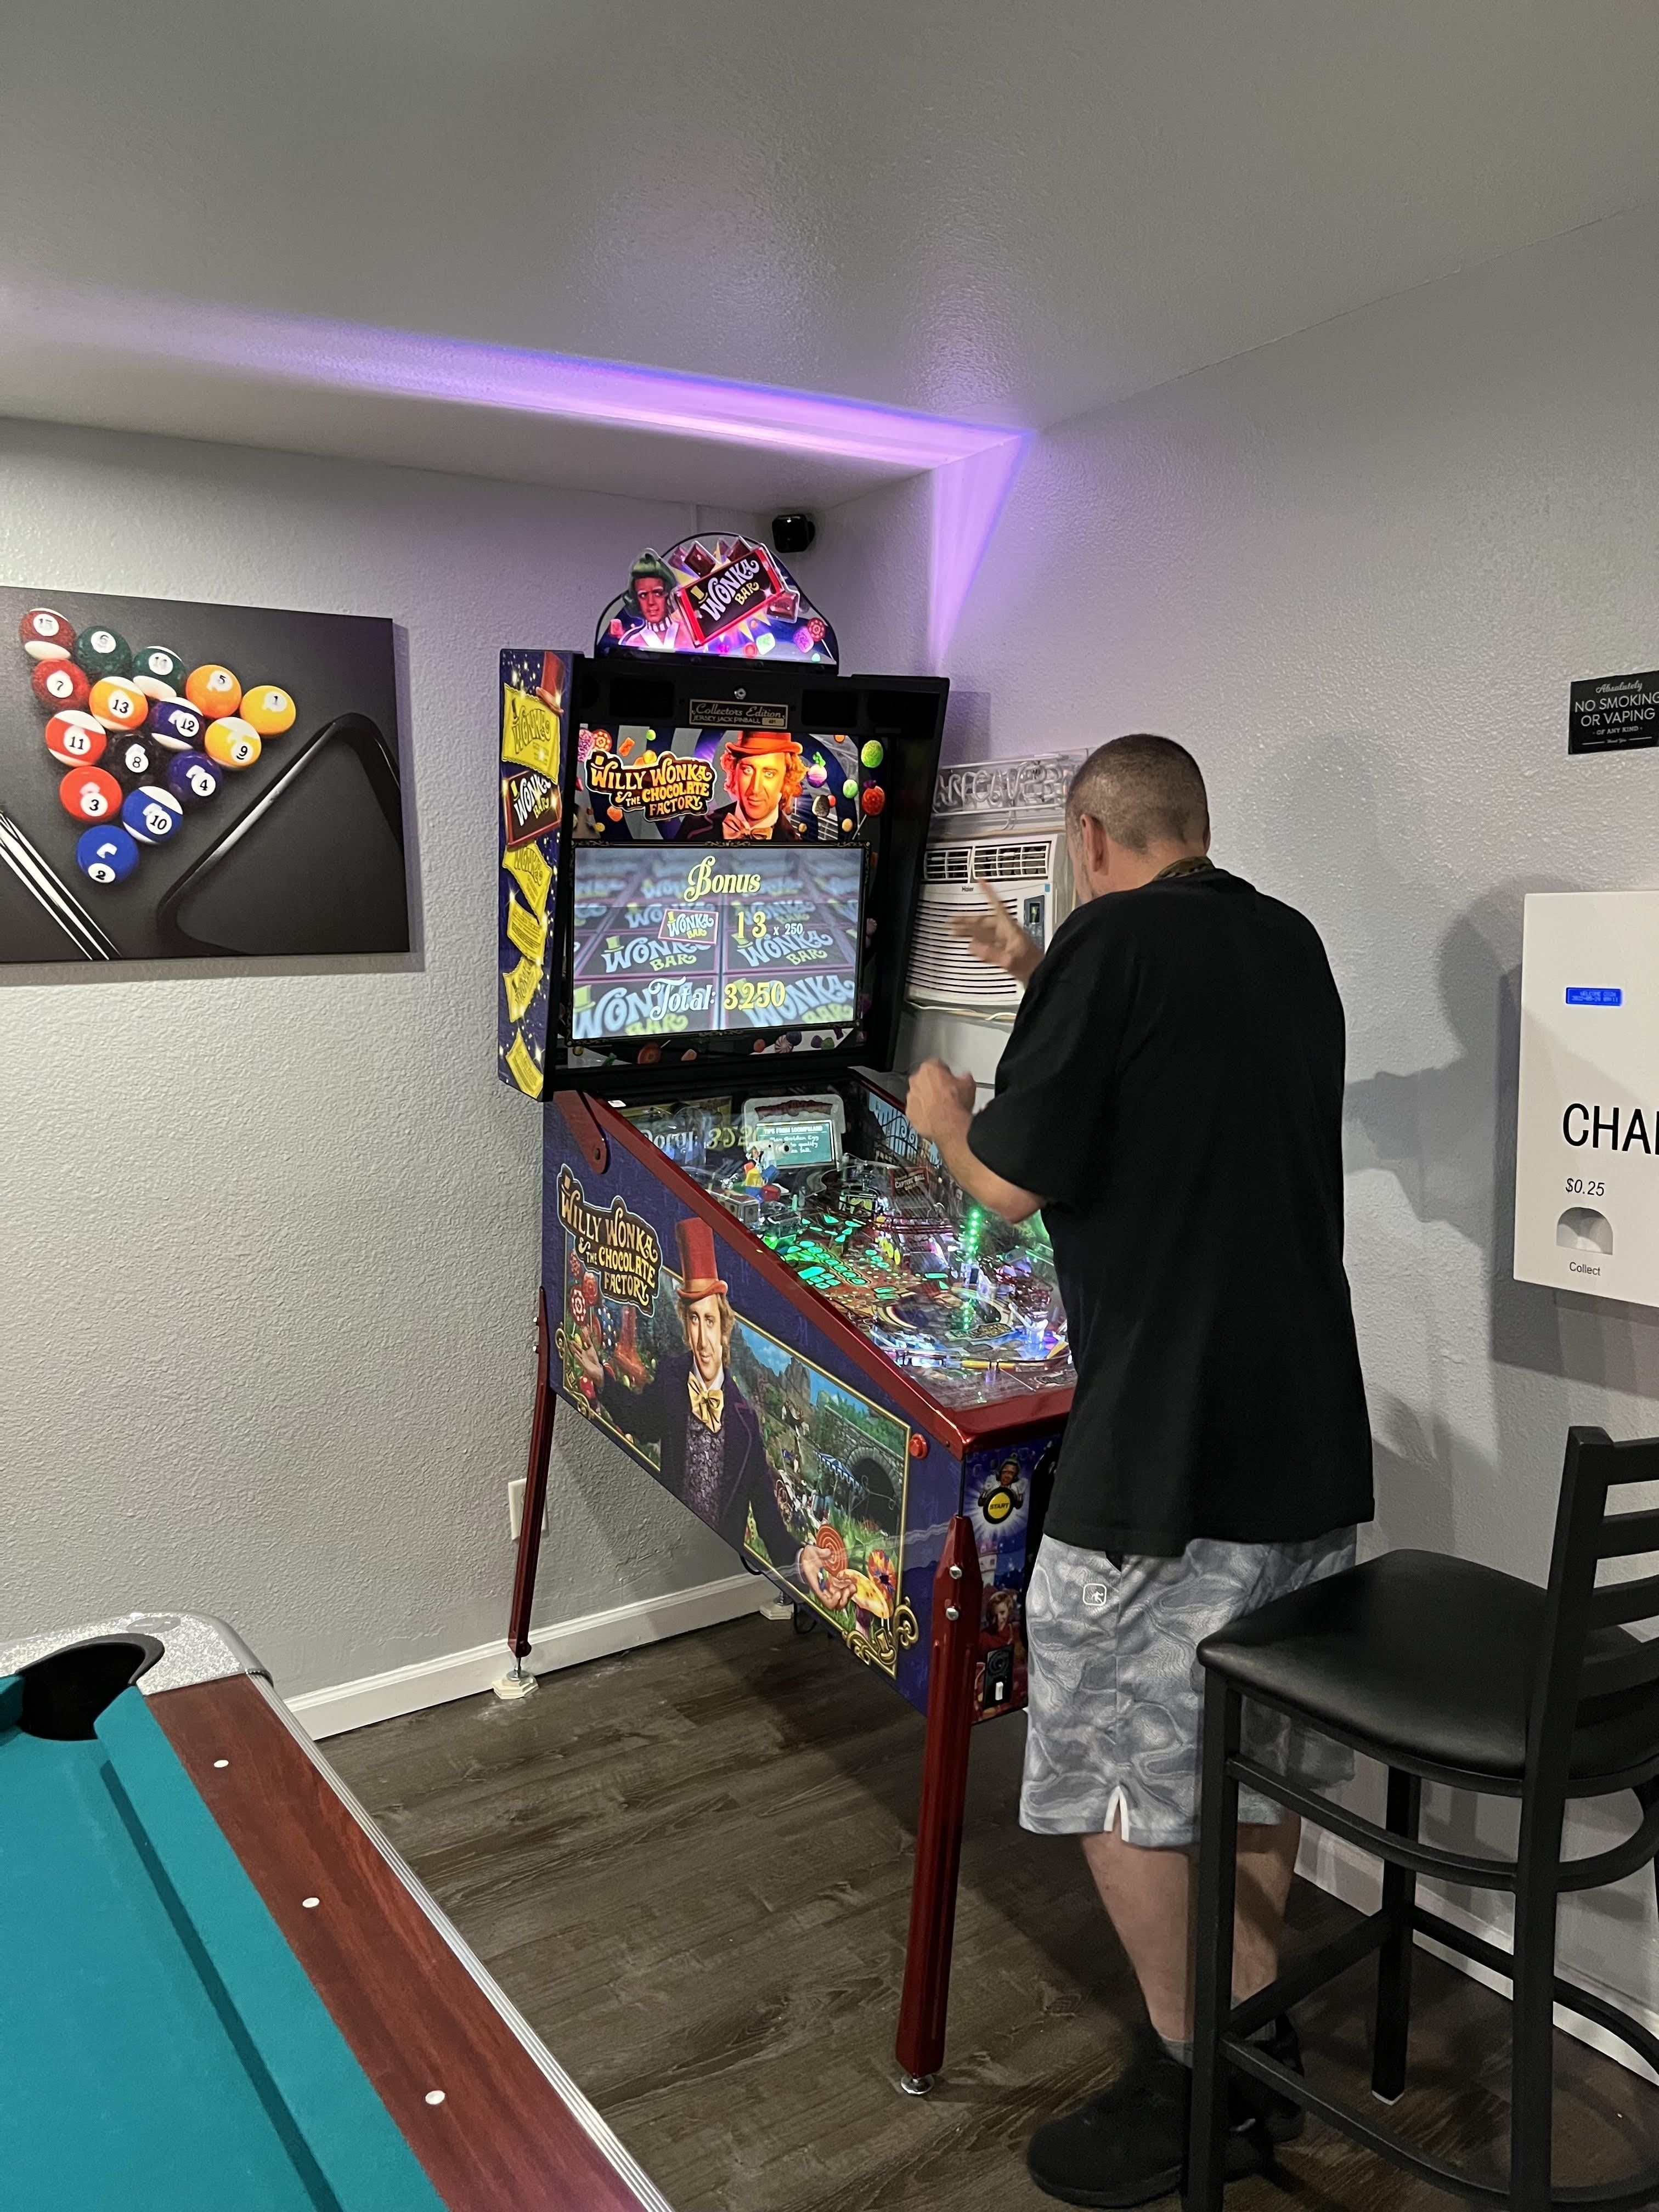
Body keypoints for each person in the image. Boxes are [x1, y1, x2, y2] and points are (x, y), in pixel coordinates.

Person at [905, 734, 1372, 2208]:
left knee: (1119, 1772)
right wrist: (1046, 963)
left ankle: (1193, 2084)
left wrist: (940, 1122)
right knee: (1253, 1749)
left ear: (1092, 834)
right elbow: (1177, 1057)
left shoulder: (1113, 946)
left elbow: (1014, 1178)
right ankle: (1250, 2028)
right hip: (1307, 1431)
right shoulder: (1283, 941)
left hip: (1165, 1443)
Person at [574, 1218, 849, 1601]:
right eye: (694, 1320)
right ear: (687, 1327)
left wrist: (802, 1556)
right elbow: (643, 1422)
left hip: (719, 1568)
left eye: (710, 1320)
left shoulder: (746, 1422)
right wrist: (603, 1381)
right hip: (671, 1547)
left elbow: (770, 1527)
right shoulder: (671, 1377)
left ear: (725, 1328)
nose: (703, 1339)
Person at [680, 730, 808, 842]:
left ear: (786, 779)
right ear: (734, 771)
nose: (755, 789)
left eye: (769, 774)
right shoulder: (693, 827)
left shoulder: (798, 850)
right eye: (748, 770)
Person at [617, 554, 696, 652]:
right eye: (643, 595)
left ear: (669, 594)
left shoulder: (689, 636)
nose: (651, 602)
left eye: (658, 593)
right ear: (636, 600)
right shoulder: (633, 642)